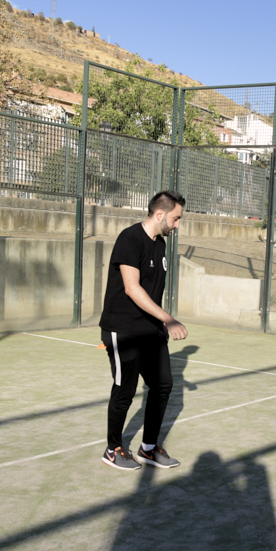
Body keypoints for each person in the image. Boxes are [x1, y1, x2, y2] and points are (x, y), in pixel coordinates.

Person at [99, 190, 189, 471]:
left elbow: (152, 291)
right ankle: (113, 449)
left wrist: (159, 325)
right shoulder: (130, 239)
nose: (177, 225)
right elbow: (132, 288)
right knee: (124, 390)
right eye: (175, 219)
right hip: (123, 328)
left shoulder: (160, 244)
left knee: (163, 385)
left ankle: (148, 448)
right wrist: (168, 319)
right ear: (160, 214)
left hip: (150, 330)